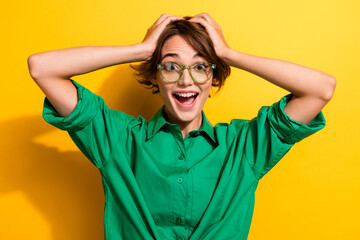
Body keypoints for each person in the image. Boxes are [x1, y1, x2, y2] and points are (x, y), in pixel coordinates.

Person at [27, 13, 335, 240]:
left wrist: (228, 54)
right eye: (171, 66)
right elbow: (42, 68)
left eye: (201, 66)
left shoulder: (243, 147)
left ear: (214, 77)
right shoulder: (119, 140)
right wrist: (140, 50)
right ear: (155, 76)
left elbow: (321, 89)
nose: (186, 79)